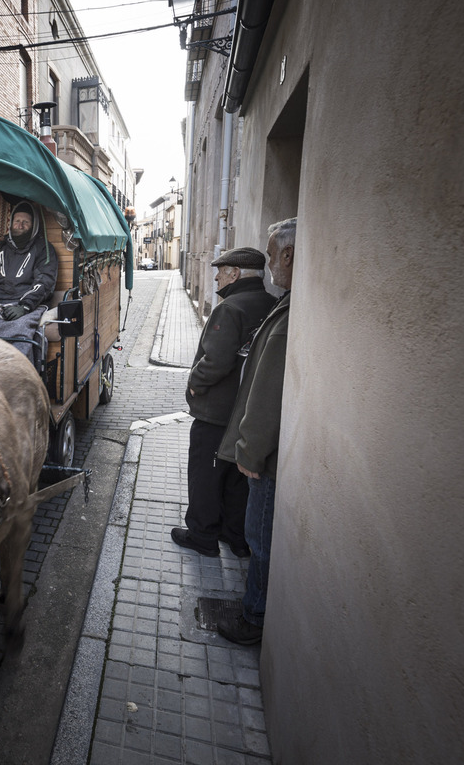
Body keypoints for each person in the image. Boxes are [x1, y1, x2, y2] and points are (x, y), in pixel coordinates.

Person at [215, 218, 296, 647]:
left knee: (258, 537)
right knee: (254, 534)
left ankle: (253, 616)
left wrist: (249, 450)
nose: (269, 268)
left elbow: (266, 393)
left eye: (272, 255)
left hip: (263, 456)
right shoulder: (280, 304)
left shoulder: (284, 313)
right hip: (265, 450)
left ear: (288, 255)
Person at [172, 247, 276, 558]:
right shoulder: (271, 304)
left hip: (216, 413)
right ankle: (235, 537)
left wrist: (194, 383)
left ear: (236, 274)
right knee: (235, 479)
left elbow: (215, 361)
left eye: (222, 270)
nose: (216, 276)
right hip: (245, 411)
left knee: (205, 475)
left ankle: (202, 535)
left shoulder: (230, 308)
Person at [0, 201, 58, 320]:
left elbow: (44, 281)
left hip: (26, 305)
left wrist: (25, 306)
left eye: (25, 222)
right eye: (17, 221)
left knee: (18, 331)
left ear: (34, 225)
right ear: (11, 223)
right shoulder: (0, 248)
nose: (20, 225)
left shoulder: (43, 248)